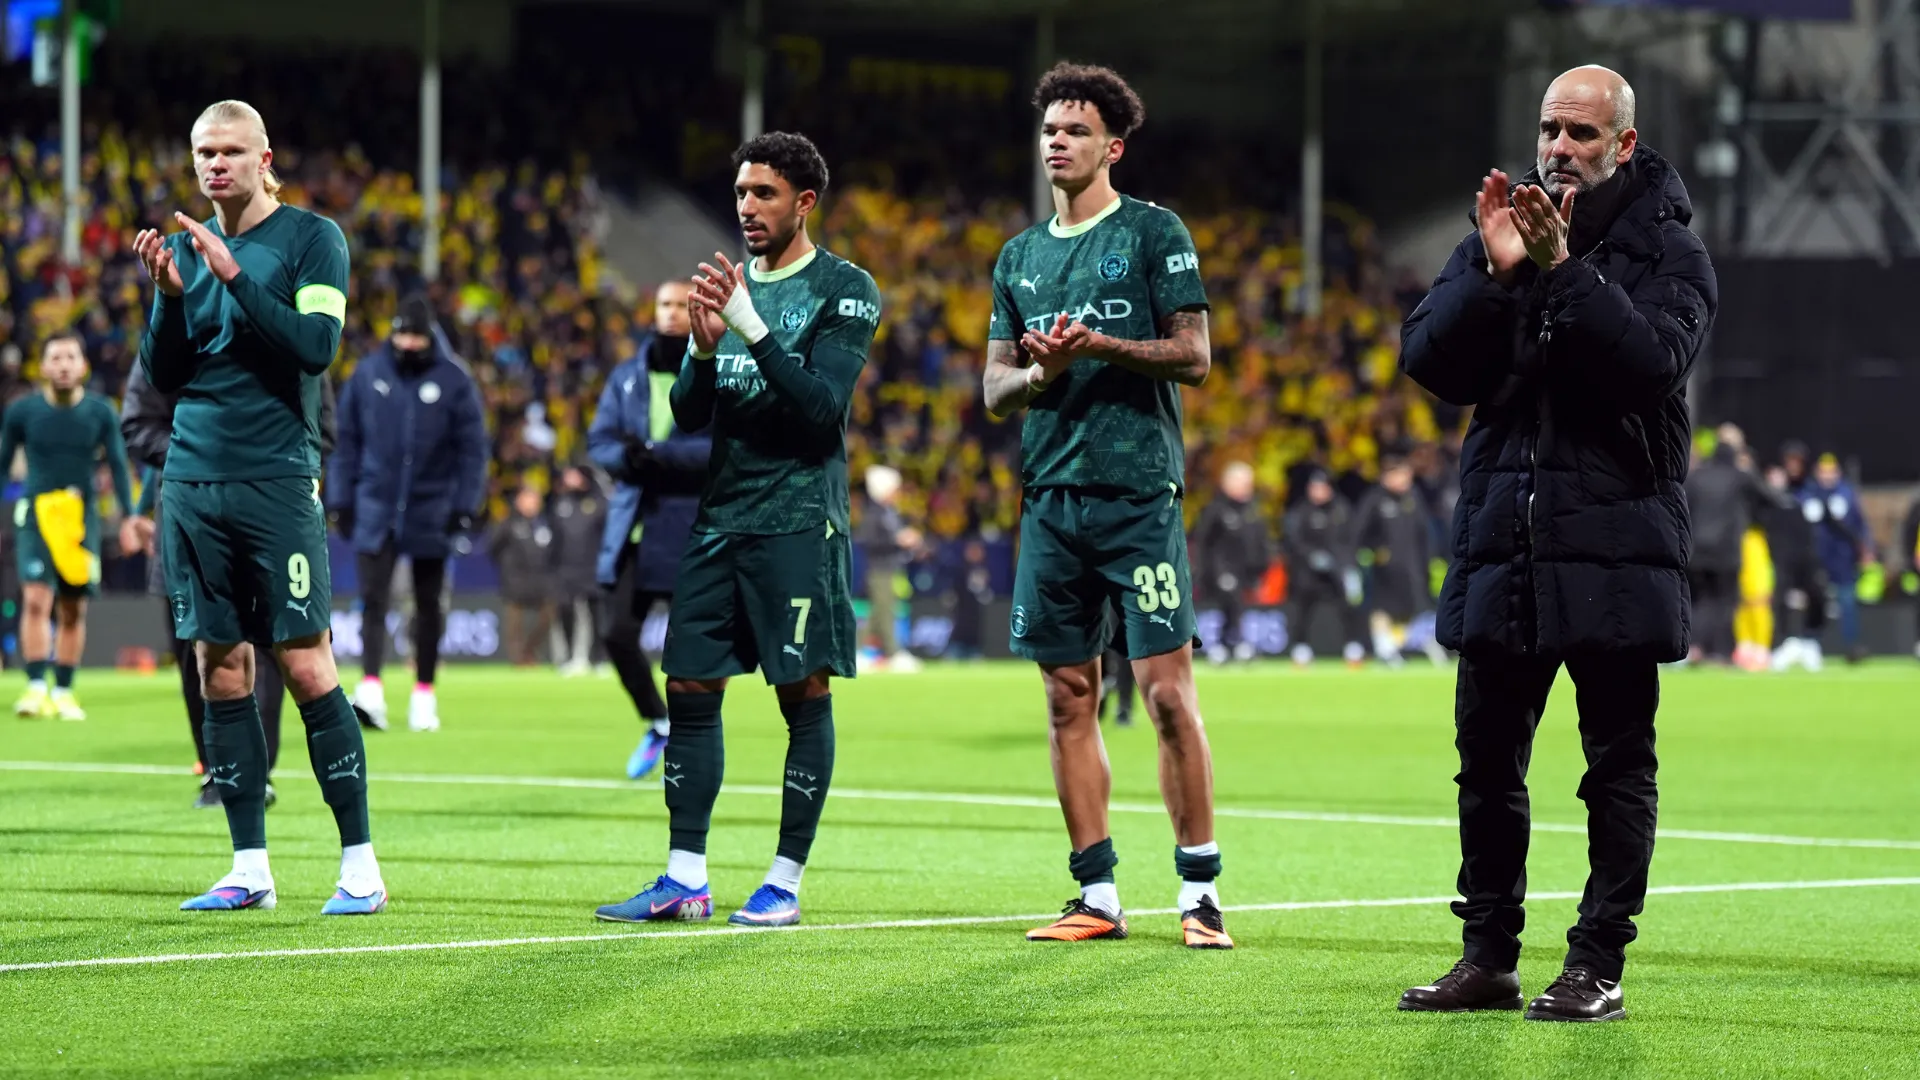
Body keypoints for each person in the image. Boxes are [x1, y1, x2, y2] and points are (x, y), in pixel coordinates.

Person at [1397, 66, 1715, 1020]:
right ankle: (1487, 956)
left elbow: (1650, 368)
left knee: (1615, 765)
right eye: (1549, 129)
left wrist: (1565, 270)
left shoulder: (1672, 255)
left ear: (1623, 145)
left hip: (1618, 547)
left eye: (1581, 133)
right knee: (1487, 762)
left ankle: (1596, 966)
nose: (1560, 149)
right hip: (1503, 542)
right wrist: (1497, 275)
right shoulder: (1499, 239)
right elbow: (1427, 362)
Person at [594, 131, 880, 930]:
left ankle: (784, 882)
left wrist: (754, 329)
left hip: (796, 523)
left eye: (764, 194)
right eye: (742, 194)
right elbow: (687, 414)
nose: (747, 208)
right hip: (720, 520)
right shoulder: (728, 288)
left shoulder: (844, 289)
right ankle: (685, 878)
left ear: (804, 202)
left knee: (802, 694)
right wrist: (705, 348)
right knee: (687, 685)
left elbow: (823, 411)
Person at [983, 63, 1229, 950]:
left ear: (1112, 147)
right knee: (1065, 697)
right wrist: (1043, 369)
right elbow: (995, 391)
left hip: (1136, 499)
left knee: (1165, 697)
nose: (1058, 141)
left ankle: (1199, 892)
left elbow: (1194, 356)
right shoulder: (1018, 256)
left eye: (1076, 130)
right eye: (1050, 129)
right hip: (1049, 498)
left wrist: (1101, 347)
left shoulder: (1156, 232)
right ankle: (1096, 895)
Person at [132, 99, 383, 914]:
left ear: (264, 156)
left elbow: (315, 349)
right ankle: (250, 867)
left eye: (231, 151)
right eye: (204, 151)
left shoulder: (314, 241)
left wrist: (233, 272)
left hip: (277, 480)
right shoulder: (180, 250)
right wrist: (171, 296)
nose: (215, 165)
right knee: (220, 670)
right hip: (191, 483)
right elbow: (165, 376)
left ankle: (360, 869)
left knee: (308, 668)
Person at [120, 351, 339, 807]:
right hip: (189, 514)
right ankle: (217, 769)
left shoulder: (288, 332)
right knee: (194, 651)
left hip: (272, 515)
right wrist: (203, 451)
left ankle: (258, 772)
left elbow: (323, 428)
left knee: (270, 644)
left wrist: (266, 459)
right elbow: (138, 424)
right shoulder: (173, 332)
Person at [329, 293, 487, 732]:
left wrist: (464, 507)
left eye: (416, 336)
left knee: (429, 606)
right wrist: (340, 498)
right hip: (375, 507)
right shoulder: (368, 374)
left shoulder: (455, 380)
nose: (409, 343)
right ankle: (372, 688)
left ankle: (424, 695)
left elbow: (473, 451)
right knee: (372, 602)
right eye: (402, 334)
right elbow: (346, 443)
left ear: (429, 335)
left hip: (432, 509)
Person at [586, 279, 712, 779]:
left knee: (687, 651)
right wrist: (629, 460)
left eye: (682, 305)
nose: (671, 314)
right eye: (664, 304)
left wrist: (657, 456)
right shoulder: (627, 376)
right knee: (616, 634)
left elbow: (718, 450)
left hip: (689, 527)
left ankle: (691, 742)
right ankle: (659, 722)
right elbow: (600, 441)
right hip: (637, 525)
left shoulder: (717, 371)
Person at [2, 334, 133, 721]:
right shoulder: (21, 412)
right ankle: (35, 687)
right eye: (55, 357)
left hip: (80, 516)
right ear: (42, 367)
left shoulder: (101, 411)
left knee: (74, 607)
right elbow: (2, 460)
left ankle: (63, 689)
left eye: (70, 357)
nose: (62, 365)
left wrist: (129, 516)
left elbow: (119, 465)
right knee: (36, 599)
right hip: (36, 513)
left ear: (83, 366)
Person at [1683, 424, 1788, 666]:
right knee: (1725, 602)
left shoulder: (1698, 475)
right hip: (1726, 551)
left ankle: (1694, 647)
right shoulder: (1740, 476)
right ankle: (1720, 652)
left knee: (1699, 601)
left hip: (1696, 550)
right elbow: (1774, 498)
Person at [1352, 455, 1444, 667]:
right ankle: (1384, 650)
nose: (1405, 479)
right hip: (1385, 568)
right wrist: (1374, 552)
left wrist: (1428, 558)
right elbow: (1359, 532)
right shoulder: (1374, 499)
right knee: (1382, 608)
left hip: (1413, 566)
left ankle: (1394, 647)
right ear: (1387, 477)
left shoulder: (1413, 498)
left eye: (1407, 475)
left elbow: (1424, 532)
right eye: (1401, 475)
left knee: (1409, 610)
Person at [1280, 469, 1366, 666]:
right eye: (1314, 487)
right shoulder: (1300, 511)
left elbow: (1350, 539)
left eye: (1322, 487)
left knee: (1348, 607)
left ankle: (1353, 647)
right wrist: (1311, 556)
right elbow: (1293, 541)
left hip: (1337, 569)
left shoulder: (1341, 509)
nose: (1318, 492)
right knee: (1303, 609)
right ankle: (1301, 647)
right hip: (1308, 571)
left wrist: (1346, 565)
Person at [1190, 461, 1270, 665]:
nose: (1247, 487)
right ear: (1228, 483)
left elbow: (1261, 540)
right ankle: (1227, 643)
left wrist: (1261, 566)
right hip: (1221, 570)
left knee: (1236, 605)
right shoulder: (1215, 510)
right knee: (1230, 603)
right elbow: (1203, 542)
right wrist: (1209, 571)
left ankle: (1227, 644)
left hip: (1246, 570)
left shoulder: (1253, 510)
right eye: (1243, 483)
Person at [1798, 453, 1875, 664]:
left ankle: (1852, 646)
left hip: (1842, 557)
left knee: (1847, 602)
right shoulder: (1808, 494)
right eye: (1824, 471)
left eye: (1831, 471)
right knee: (1815, 603)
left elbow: (1860, 524)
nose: (1827, 476)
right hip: (1816, 557)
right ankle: (1810, 645)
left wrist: (1866, 548)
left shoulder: (1847, 494)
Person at [855, 464, 922, 672]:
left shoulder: (887, 511)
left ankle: (856, 652)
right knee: (885, 611)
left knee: (880, 611)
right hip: (879, 569)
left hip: (890, 568)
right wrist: (898, 541)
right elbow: (867, 540)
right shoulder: (875, 512)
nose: (897, 493)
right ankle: (893, 653)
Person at [1761, 462, 1827, 671]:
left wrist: (1859, 543)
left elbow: (1830, 521)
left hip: (1806, 558)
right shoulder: (1765, 503)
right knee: (1779, 602)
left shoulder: (1806, 497)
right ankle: (1781, 645)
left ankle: (1810, 642)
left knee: (1817, 596)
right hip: (1780, 559)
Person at [550, 466, 607, 676]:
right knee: (565, 612)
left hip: (593, 568)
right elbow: (555, 538)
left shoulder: (599, 502)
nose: (568, 478)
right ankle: (570, 659)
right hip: (565, 569)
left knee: (597, 615)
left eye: (572, 474)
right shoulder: (561, 503)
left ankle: (598, 659)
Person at [490, 486, 556, 666]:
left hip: (540, 580)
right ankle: (518, 658)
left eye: (535, 500)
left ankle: (530, 651)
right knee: (514, 623)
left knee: (548, 615)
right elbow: (493, 548)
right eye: (528, 499)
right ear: (519, 501)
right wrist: (508, 566)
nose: (531, 504)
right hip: (515, 580)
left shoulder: (545, 523)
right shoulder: (508, 523)